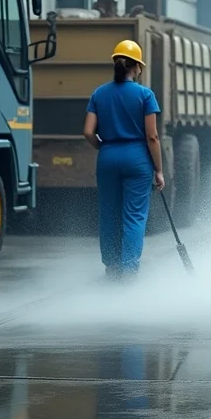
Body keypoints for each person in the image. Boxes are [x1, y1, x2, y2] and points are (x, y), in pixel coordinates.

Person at [83, 40, 165, 279]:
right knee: (134, 215)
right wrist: (158, 170)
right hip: (137, 159)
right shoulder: (145, 95)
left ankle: (112, 266)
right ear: (137, 67)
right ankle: (130, 269)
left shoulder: (99, 93)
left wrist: (104, 147)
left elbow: (88, 131)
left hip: (107, 157)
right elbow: (152, 136)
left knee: (109, 213)